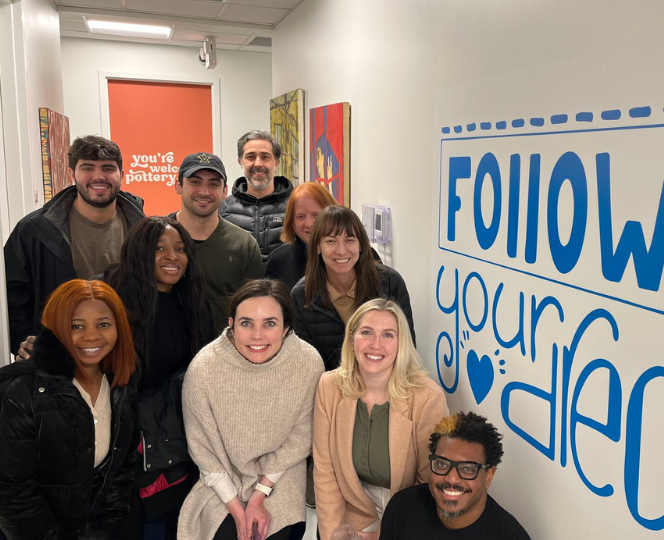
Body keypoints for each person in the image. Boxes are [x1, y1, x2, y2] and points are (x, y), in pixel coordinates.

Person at [0, 279, 138, 539]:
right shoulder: (17, 393)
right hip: (4, 531)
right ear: (56, 327)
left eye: (103, 324)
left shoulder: (120, 385)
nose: (91, 336)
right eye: (76, 326)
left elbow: (119, 471)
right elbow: (5, 491)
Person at [178, 280, 324, 540]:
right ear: (231, 325)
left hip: (281, 475)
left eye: (270, 323)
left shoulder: (308, 363)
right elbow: (203, 450)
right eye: (246, 323)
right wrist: (237, 509)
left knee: (276, 532)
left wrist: (260, 494)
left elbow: (301, 437)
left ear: (286, 328)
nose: (257, 335)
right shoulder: (203, 369)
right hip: (222, 480)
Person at [104, 216, 216, 540]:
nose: (172, 257)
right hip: (123, 442)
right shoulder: (110, 299)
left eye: (180, 249)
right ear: (140, 252)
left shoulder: (193, 301)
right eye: (160, 248)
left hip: (176, 441)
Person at [313, 299, 448, 540]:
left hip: (407, 506)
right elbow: (325, 471)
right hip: (353, 504)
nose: (375, 344)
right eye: (366, 332)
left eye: (388, 335)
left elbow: (429, 482)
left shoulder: (427, 397)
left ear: (401, 344)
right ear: (352, 339)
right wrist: (333, 535)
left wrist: (383, 536)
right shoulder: (329, 386)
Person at [4, 135, 145, 353]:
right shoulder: (35, 230)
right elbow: (13, 294)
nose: (98, 177)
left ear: (122, 174)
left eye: (108, 168)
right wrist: (25, 345)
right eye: (87, 168)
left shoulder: (142, 229)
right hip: (59, 354)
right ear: (72, 174)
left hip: (125, 353)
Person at [291, 205, 414, 371]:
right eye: (331, 241)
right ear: (318, 246)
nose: (341, 251)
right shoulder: (301, 296)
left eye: (349, 240)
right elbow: (307, 365)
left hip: (386, 382)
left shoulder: (390, 283)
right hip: (330, 385)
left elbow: (406, 352)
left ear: (361, 245)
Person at [378, 412, 531, 540]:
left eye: (467, 469)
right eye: (442, 464)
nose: (451, 478)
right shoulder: (402, 506)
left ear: (488, 476)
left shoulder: (510, 535)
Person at [169, 151, 263, 330]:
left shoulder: (243, 245)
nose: (204, 192)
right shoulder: (155, 237)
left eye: (213, 184)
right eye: (195, 182)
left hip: (224, 345)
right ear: (178, 185)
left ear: (224, 191)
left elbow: (252, 310)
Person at [220, 130, 294, 262]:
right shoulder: (222, 209)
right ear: (240, 162)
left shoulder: (295, 207)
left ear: (276, 163)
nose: (258, 163)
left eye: (265, 157)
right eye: (251, 157)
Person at [264, 182, 338, 291]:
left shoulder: (351, 255)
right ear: (292, 221)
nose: (309, 223)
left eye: (316, 215)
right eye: (300, 217)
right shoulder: (278, 261)